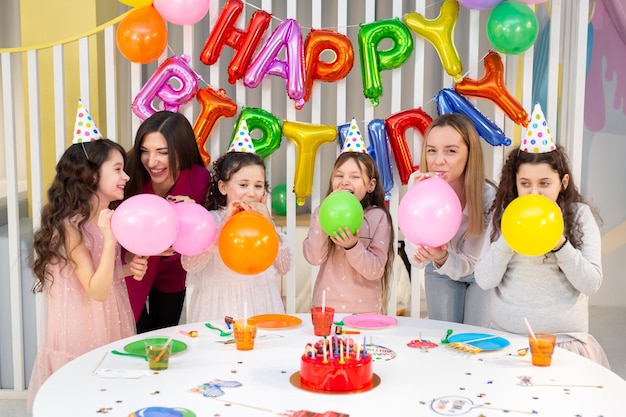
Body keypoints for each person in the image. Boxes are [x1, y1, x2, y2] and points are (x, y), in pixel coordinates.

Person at [474, 104, 609, 367]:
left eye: (545, 183)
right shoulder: (504, 216)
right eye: (525, 184)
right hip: (508, 341)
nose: (535, 193)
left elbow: (591, 283)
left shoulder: (579, 216)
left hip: (564, 344)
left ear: (564, 182)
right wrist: (509, 239)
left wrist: (559, 244)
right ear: (515, 183)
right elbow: (484, 279)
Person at [27, 135, 148, 409]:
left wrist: (127, 269)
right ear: (91, 176)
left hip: (109, 315)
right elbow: (95, 289)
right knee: (84, 391)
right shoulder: (71, 227)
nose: (126, 176)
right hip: (82, 322)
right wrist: (110, 241)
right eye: (117, 169)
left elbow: (99, 275)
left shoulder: (109, 217)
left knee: (112, 389)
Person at [181, 145, 291, 321]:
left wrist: (269, 224)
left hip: (259, 302)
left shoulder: (263, 224)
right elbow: (190, 264)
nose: (251, 193)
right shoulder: (211, 220)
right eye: (243, 185)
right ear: (223, 187)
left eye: (258, 185)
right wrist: (223, 226)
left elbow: (284, 267)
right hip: (220, 306)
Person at [405, 113, 496, 326]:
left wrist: (442, 256)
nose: (438, 161)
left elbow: (472, 263)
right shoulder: (418, 184)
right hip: (439, 267)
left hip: (480, 273)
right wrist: (420, 201)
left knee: (473, 340)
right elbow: (415, 260)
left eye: (451, 151)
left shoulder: (487, 196)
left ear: (469, 154)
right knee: (443, 336)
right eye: (431, 151)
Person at [124, 111, 211, 333]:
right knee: (132, 333)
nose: (151, 162)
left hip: (173, 270)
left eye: (162, 152)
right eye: (145, 151)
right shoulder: (129, 171)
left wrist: (192, 211)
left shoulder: (198, 178)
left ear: (181, 150)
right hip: (132, 266)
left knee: (162, 335)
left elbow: (204, 231)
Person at [303, 120, 394, 314]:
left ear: (370, 185)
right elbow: (313, 257)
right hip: (325, 309)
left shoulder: (378, 217)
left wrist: (352, 246)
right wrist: (322, 217)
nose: (345, 182)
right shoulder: (323, 212)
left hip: (364, 312)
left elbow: (376, 270)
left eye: (354, 176)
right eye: (339, 175)